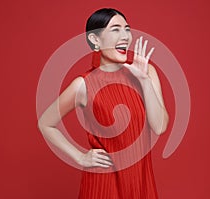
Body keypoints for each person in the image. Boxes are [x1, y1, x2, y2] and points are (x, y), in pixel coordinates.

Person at [38, 8, 169, 199]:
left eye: (127, 29)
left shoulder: (146, 72)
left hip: (140, 181)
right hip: (103, 185)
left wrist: (144, 81)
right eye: (115, 29)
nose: (125, 36)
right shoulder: (84, 85)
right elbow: (45, 123)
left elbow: (159, 127)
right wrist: (80, 157)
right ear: (95, 40)